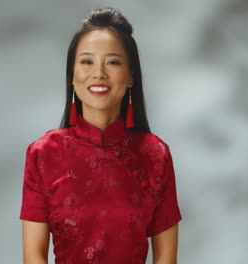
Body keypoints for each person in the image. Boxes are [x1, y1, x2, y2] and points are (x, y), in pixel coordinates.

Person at [20, 7, 183, 264]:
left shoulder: (155, 154)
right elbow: (33, 257)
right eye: (86, 62)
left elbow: (166, 258)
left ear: (131, 76)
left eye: (113, 62)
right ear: (72, 76)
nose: (99, 73)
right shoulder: (44, 154)